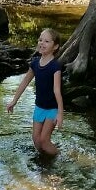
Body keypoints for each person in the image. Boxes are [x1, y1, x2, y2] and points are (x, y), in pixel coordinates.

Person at [6, 28, 63, 156]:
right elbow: (24, 82)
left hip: (52, 109)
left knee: (43, 140)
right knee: (36, 141)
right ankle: (45, 162)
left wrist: (60, 114)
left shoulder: (55, 66)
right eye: (40, 40)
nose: (42, 43)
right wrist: (14, 101)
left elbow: (57, 90)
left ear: (55, 46)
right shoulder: (35, 63)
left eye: (47, 41)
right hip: (39, 108)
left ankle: (60, 156)